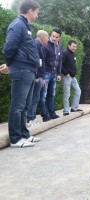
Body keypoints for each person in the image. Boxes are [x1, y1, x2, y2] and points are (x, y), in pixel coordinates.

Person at [2, 0, 42, 148]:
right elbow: (8, 48)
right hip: (22, 70)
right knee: (17, 105)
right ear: (30, 10)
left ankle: (24, 135)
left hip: (29, 71)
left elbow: (20, 49)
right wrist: (11, 64)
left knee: (25, 106)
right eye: (36, 12)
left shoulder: (25, 27)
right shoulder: (17, 25)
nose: (37, 15)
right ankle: (15, 139)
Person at [39, 27, 62, 122]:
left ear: (59, 38)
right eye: (53, 36)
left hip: (54, 73)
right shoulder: (45, 45)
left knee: (51, 94)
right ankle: (45, 116)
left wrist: (59, 73)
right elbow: (41, 60)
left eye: (56, 37)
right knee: (42, 95)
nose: (54, 38)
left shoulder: (59, 46)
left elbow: (59, 60)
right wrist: (42, 76)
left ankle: (52, 114)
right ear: (50, 35)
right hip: (46, 73)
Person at [27, 30, 49, 126]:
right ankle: (30, 119)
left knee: (35, 98)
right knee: (33, 98)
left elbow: (40, 62)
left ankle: (32, 118)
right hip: (36, 76)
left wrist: (42, 78)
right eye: (47, 37)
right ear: (43, 37)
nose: (48, 40)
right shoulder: (35, 45)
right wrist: (36, 76)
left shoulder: (40, 46)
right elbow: (34, 61)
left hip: (39, 76)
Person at [61, 40, 82, 116]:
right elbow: (60, 65)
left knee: (78, 91)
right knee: (67, 94)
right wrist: (66, 73)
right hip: (67, 76)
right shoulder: (65, 53)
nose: (75, 48)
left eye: (75, 47)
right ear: (69, 45)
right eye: (73, 46)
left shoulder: (72, 54)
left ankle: (74, 108)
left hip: (73, 77)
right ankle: (66, 111)